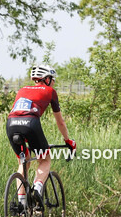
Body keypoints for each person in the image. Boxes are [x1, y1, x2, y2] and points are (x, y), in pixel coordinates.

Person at [6, 64, 76, 209]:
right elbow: (60, 122)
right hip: (30, 123)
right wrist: (68, 140)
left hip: (11, 124)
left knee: (23, 162)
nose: (54, 81)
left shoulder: (22, 89)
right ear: (47, 79)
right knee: (44, 159)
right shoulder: (50, 91)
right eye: (53, 78)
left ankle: (22, 203)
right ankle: (37, 188)